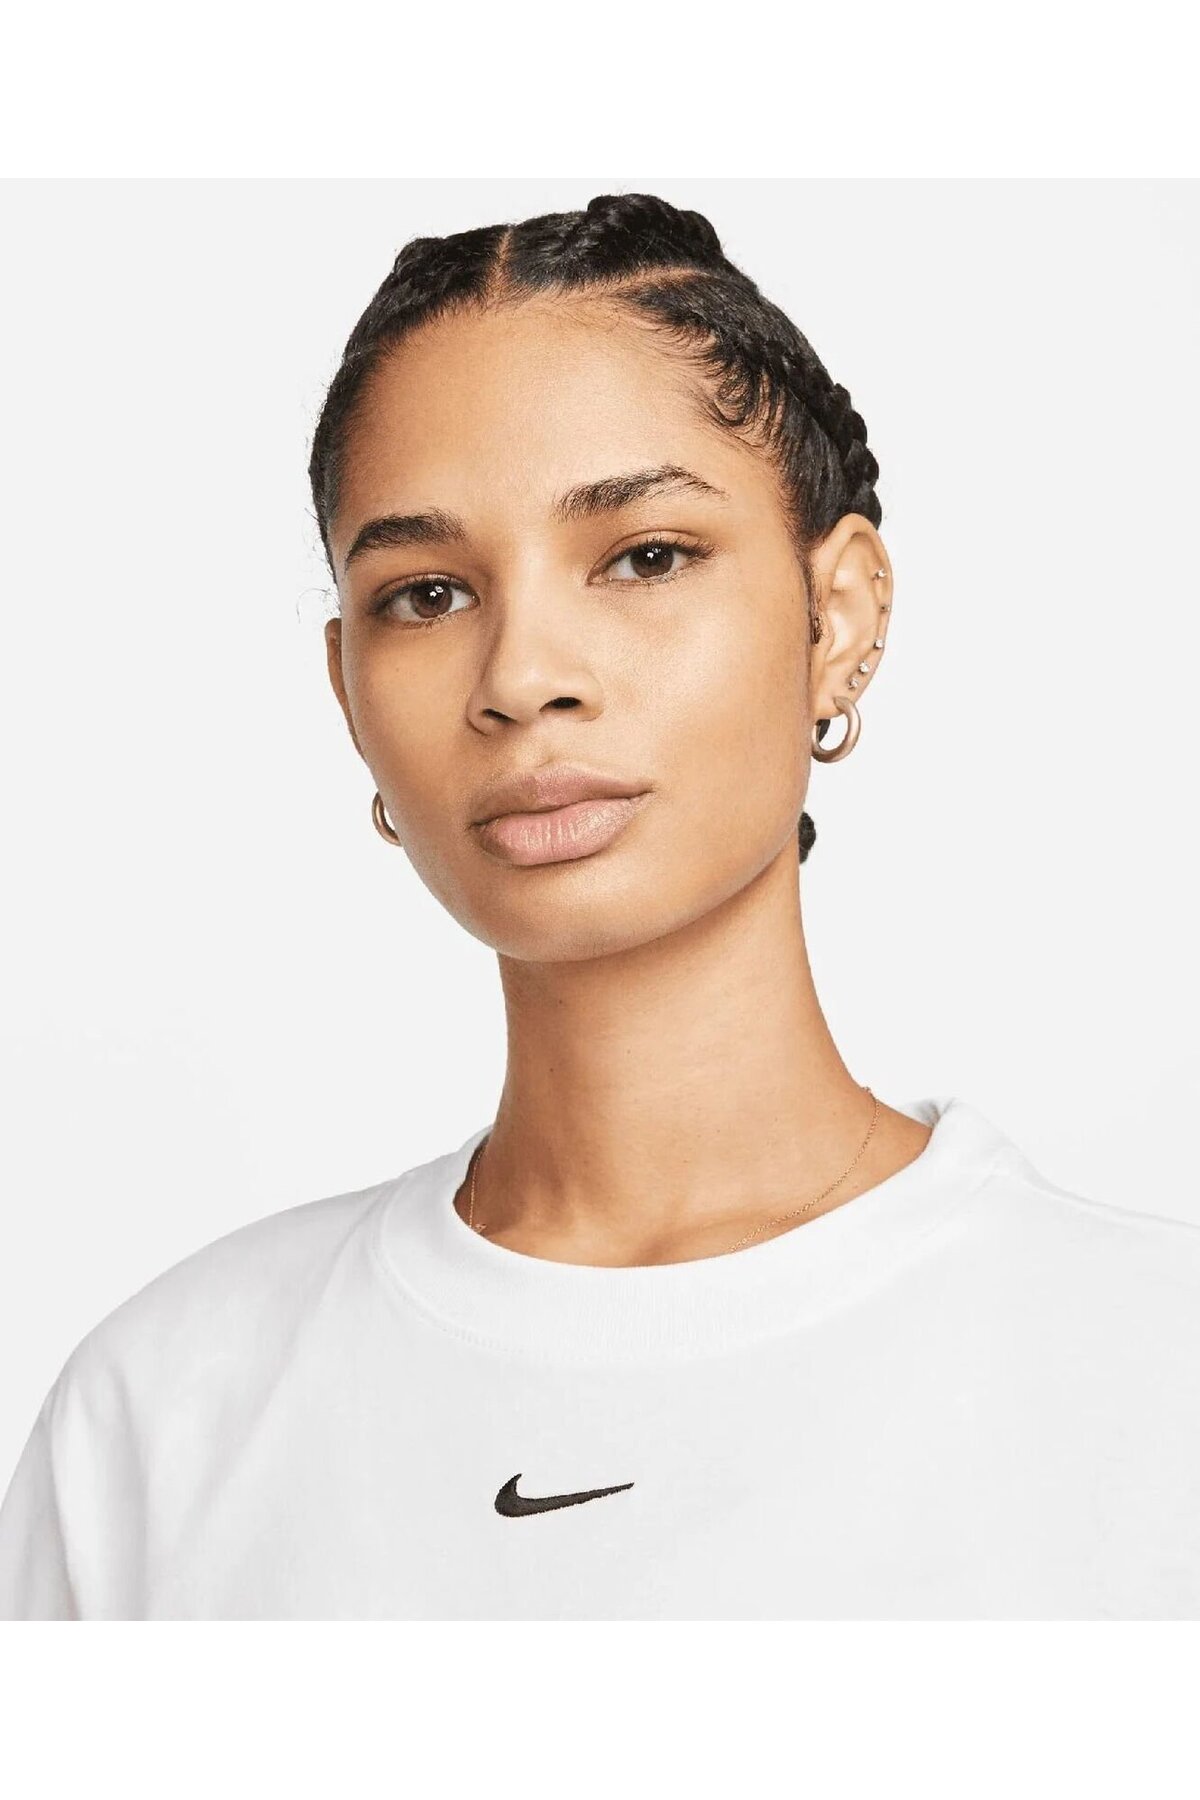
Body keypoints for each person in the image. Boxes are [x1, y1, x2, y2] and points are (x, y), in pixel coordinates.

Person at [1, 192, 1197, 1621]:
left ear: (840, 617)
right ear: (346, 692)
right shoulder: (162, 1420)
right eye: (427, 595)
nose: (522, 677)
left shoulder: (1148, 1378)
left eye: (645, 557)